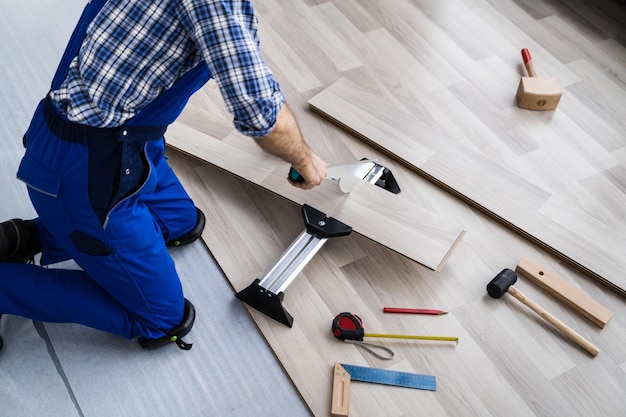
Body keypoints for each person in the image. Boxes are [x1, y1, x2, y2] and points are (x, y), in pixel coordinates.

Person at [0, 0, 327, 352]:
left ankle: (32, 236)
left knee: (181, 222)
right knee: (163, 320)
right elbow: (259, 113)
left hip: (130, 135)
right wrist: (305, 159)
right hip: (85, 164)